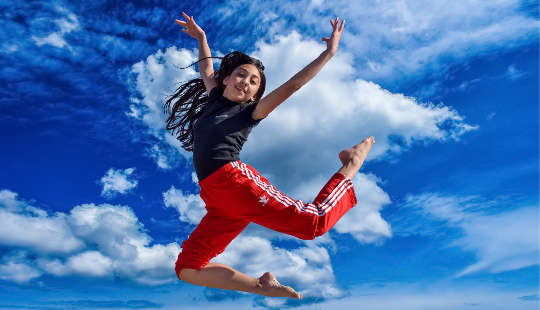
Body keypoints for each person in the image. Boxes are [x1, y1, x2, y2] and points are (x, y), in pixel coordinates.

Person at [164, 12, 375, 299]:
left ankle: (351, 163)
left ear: (254, 96)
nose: (246, 82)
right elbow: (206, 71)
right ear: (225, 78)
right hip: (217, 200)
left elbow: (293, 85)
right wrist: (201, 39)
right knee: (187, 268)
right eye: (241, 74)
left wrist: (329, 53)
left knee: (314, 223)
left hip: (236, 184)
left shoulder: (248, 112)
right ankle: (260, 286)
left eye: (254, 82)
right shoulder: (215, 97)